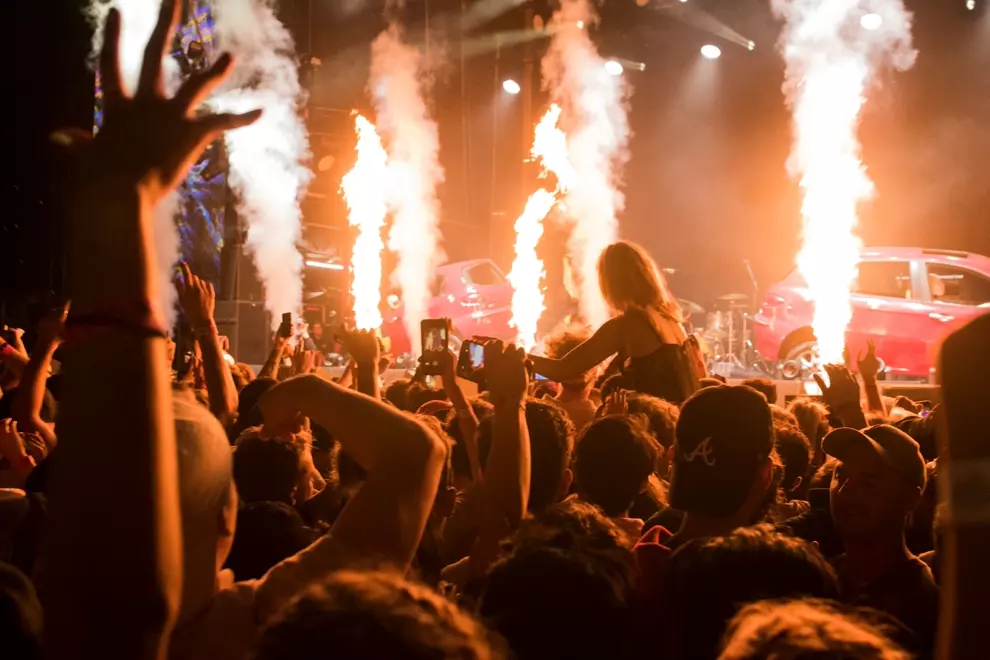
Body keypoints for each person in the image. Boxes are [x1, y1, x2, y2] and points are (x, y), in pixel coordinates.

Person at [528, 241, 700, 404]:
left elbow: (562, 370)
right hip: (681, 422)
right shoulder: (671, 320)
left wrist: (514, 355)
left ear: (611, 283)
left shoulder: (625, 326)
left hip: (656, 425)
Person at [823, 424, 939, 656]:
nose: (846, 490)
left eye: (869, 480)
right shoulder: (824, 578)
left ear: (911, 498)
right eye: (840, 475)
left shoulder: (923, 607)